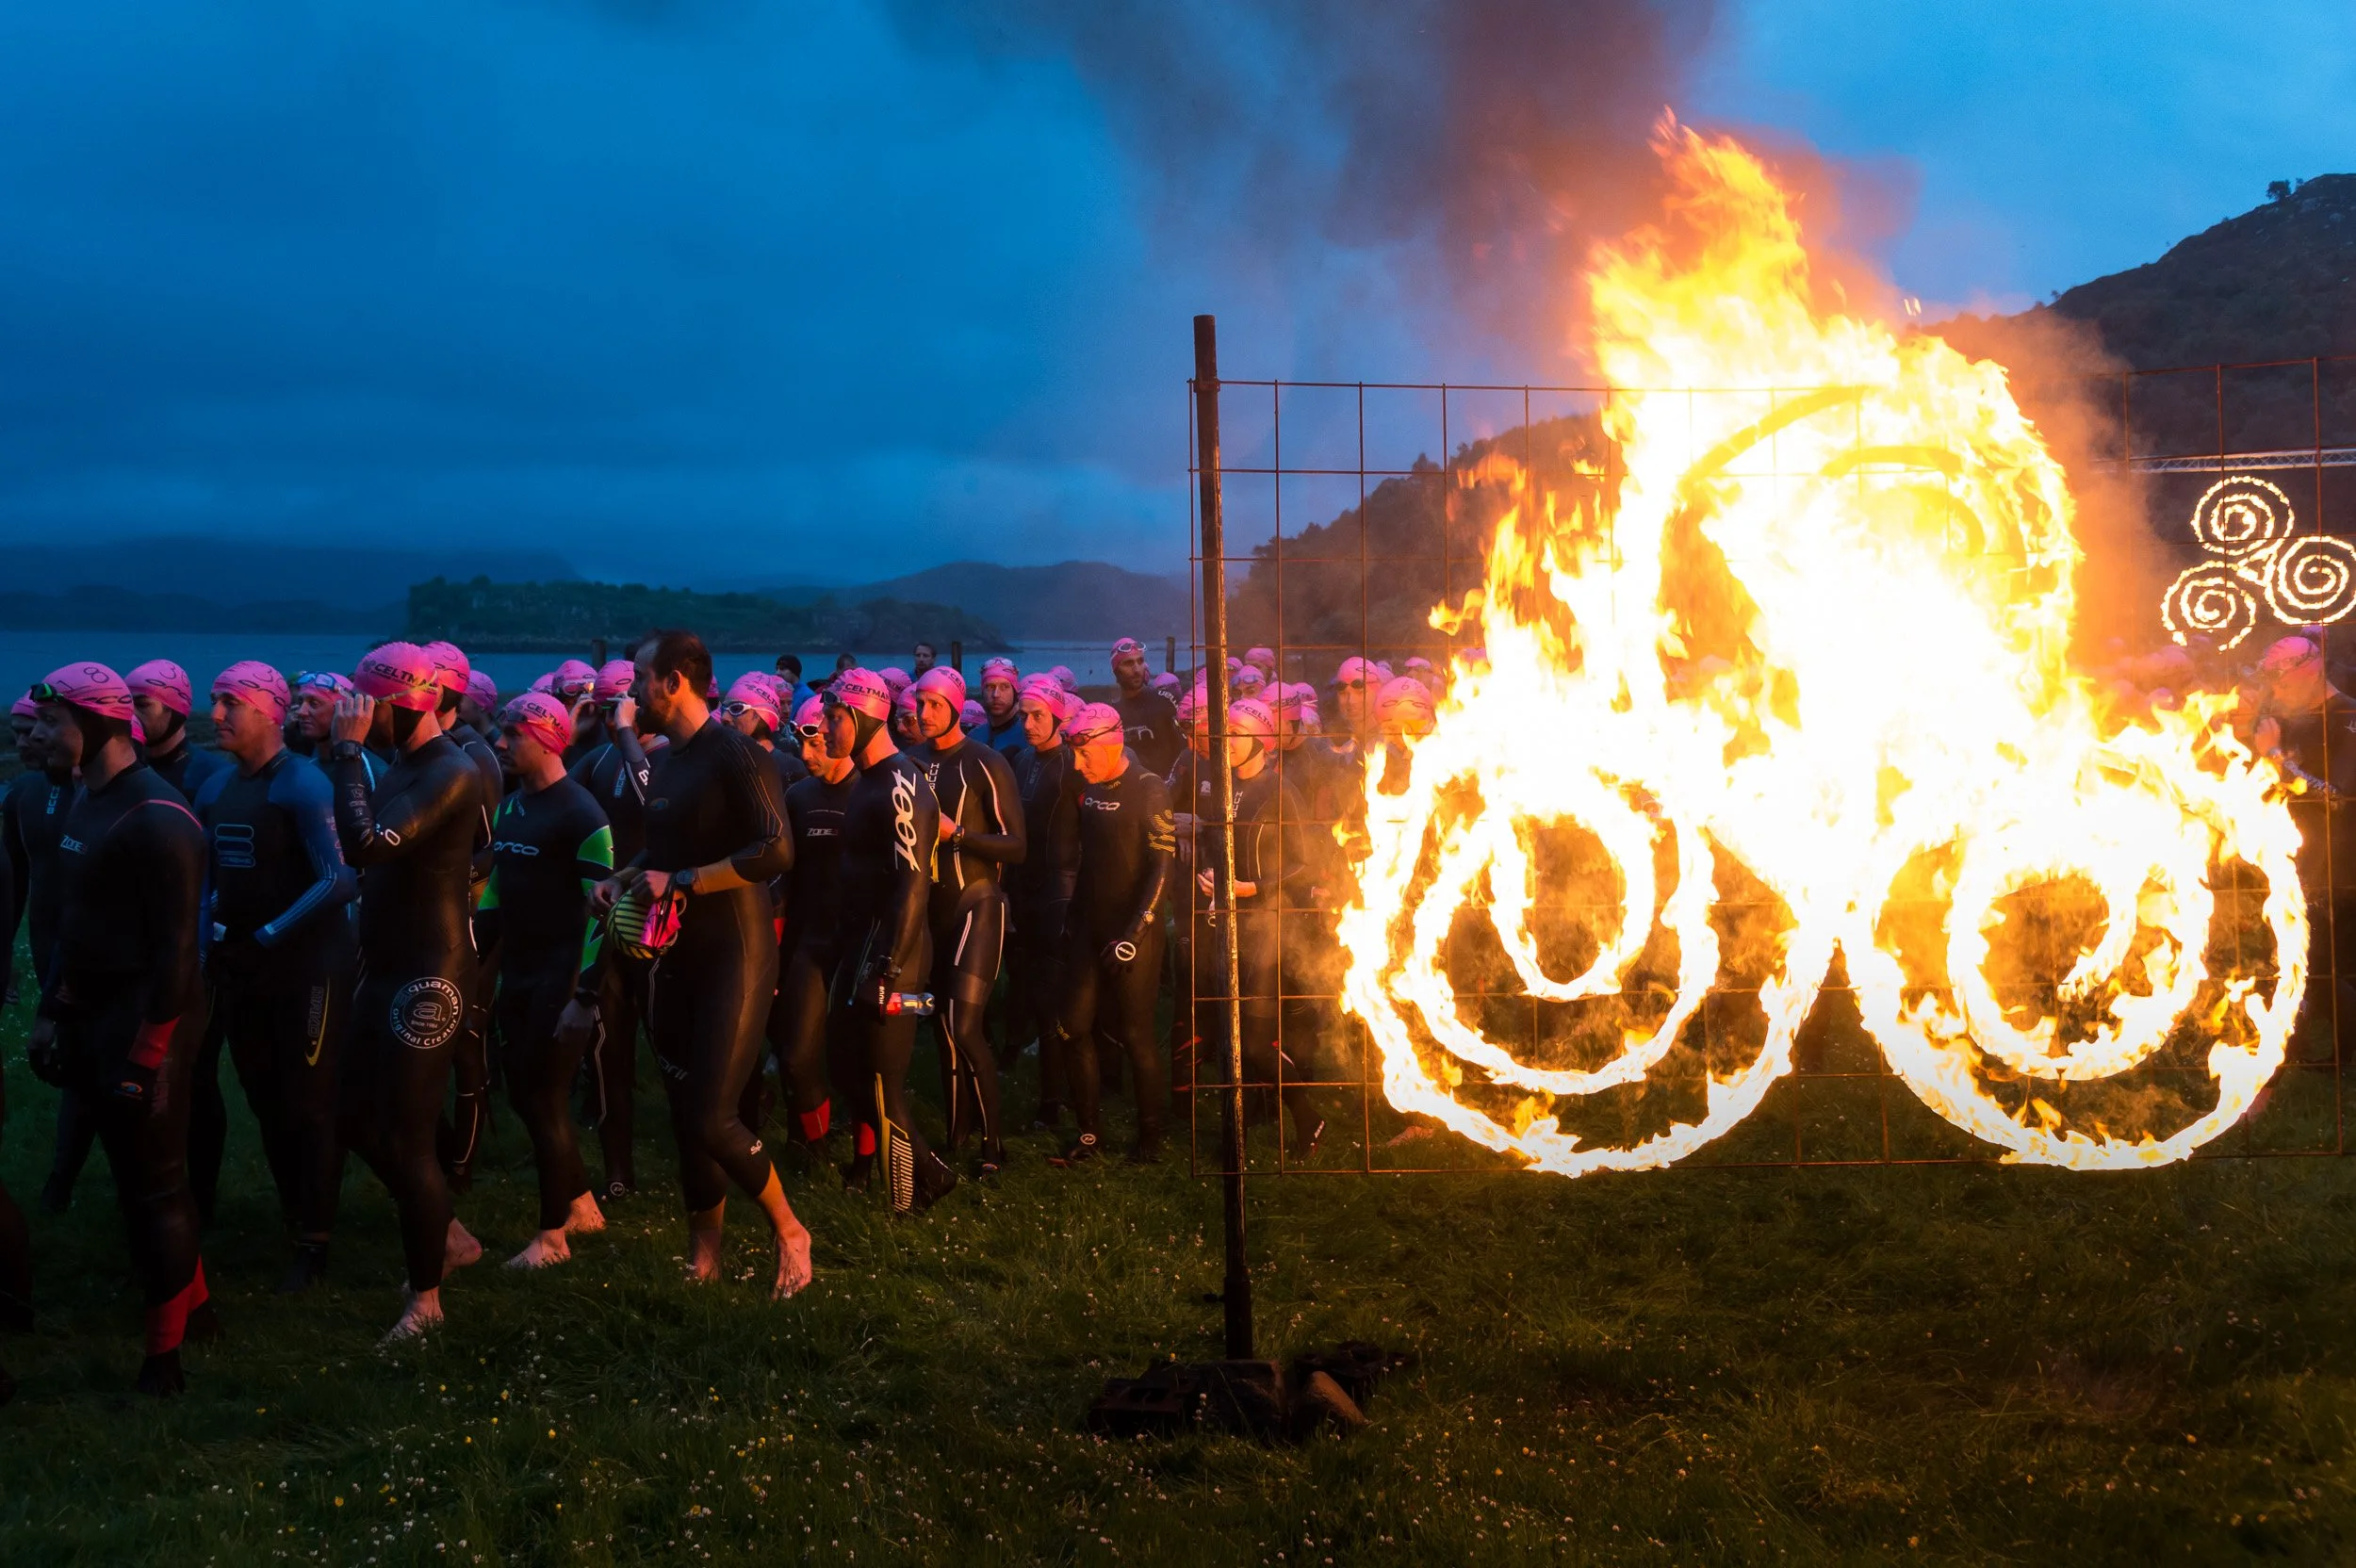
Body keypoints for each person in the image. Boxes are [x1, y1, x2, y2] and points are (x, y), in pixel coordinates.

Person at [586, 629, 811, 1298]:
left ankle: (791, 1232)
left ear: (676, 680)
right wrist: (623, 878)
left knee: (715, 1115)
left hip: (735, 955)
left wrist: (684, 880)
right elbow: (662, 853)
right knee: (688, 1115)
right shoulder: (672, 762)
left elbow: (776, 852)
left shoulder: (736, 755)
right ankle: (704, 1256)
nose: (632, 693)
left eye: (640, 679)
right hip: (676, 955)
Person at [25, 662, 213, 1394]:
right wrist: (52, 1013)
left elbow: (178, 956)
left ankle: (163, 1362)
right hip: (96, 1015)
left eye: (50, 724)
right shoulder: (85, 801)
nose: (37, 736)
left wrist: (148, 1057)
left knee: (157, 1189)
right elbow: (80, 928)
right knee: (135, 1180)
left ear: (99, 726)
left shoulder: (161, 819)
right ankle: (198, 1312)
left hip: (151, 1018)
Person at [327, 641, 491, 1342]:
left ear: (401, 707)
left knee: (409, 1135)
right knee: (353, 1119)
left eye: (367, 708)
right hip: (387, 965)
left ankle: (426, 1303)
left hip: (432, 973)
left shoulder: (451, 770)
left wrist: (344, 756)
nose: (356, 719)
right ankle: (447, 1235)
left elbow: (367, 845)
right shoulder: (400, 765)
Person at [187, 663, 357, 1292]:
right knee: (264, 1098)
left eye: (230, 702)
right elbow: (209, 882)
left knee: (309, 1103)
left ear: (268, 711)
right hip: (245, 966)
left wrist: (265, 937)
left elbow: (338, 880)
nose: (218, 713)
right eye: (213, 701)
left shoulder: (302, 785)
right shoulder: (216, 790)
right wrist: (206, 940)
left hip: (309, 967)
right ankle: (297, 1215)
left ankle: (317, 1241)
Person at [479, 693, 614, 1268]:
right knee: (523, 1096)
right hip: (520, 974)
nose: (501, 743)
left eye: (514, 734)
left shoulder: (583, 814)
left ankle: (552, 1237)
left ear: (551, 738)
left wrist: (584, 996)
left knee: (547, 1099)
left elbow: (604, 915)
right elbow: (496, 891)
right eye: (501, 732)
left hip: (561, 979)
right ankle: (581, 1204)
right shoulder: (511, 807)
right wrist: (470, 954)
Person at [826, 667, 956, 1211]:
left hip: (895, 955)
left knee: (884, 1084)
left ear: (861, 717)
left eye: (835, 719)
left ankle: (906, 1203)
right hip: (860, 949)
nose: (828, 729)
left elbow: (911, 887)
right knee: (851, 1073)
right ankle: (930, 1173)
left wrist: (888, 968)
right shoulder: (867, 780)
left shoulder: (901, 783)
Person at [1188, 696, 1326, 1155]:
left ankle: (1308, 1118)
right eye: (1223, 732)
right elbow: (1215, 843)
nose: (1225, 742)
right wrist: (1209, 876)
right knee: (1225, 1031)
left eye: (1237, 733)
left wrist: (1254, 888)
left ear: (1262, 739)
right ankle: (1242, 1126)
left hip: (1268, 924)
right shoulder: (1219, 783)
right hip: (1225, 920)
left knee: (1254, 1039)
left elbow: (1305, 866)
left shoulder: (1281, 790)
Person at [908, 666, 1026, 1170]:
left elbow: (1016, 846)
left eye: (936, 704)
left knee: (965, 1025)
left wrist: (956, 835)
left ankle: (992, 1144)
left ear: (957, 706)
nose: (924, 713)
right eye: (919, 704)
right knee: (940, 1026)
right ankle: (957, 1138)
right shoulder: (910, 762)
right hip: (929, 910)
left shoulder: (986, 761)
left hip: (977, 903)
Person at [1055, 703, 1176, 1164]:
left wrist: (1137, 932)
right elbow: (1090, 861)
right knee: (1072, 1027)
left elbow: (1162, 869)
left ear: (1112, 744)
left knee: (1137, 1035)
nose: (1079, 765)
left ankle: (1150, 1137)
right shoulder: (1087, 785)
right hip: (1091, 926)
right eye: (1075, 757)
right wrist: (1072, 915)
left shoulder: (1148, 790)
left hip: (1133, 932)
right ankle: (1089, 1134)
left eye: (1086, 756)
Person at [567, 661, 661, 1200]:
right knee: (608, 1052)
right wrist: (570, 742)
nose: (610, 718)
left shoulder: (670, 754)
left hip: (659, 926)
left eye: (618, 708)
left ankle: (699, 1160)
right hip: (607, 921)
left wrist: (627, 735)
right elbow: (547, 795)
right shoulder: (600, 758)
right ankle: (618, 1171)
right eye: (604, 710)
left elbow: (654, 803)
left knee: (673, 1051)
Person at [424, 642, 504, 1191]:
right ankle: (441, 1151)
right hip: (437, 914)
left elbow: (495, 846)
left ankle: (461, 1166)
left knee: (467, 1039)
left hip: (471, 915)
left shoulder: (470, 755)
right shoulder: (435, 751)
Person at [2254, 634, 2356, 1062]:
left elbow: (2338, 797)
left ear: (2311, 670)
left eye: (2282, 680)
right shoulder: (2288, 717)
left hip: (2340, 862)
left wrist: (2277, 757)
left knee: (2318, 964)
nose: (2276, 691)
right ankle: (2312, 1050)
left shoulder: (2347, 717)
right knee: (2303, 960)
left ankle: (2331, 1058)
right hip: (2293, 858)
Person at [770, 694, 856, 1156]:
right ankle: (816, 1149)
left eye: (817, 746)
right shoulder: (799, 796)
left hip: (859, 944)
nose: (805, 757)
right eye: (802, 745)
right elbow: (783, 881)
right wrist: (778, 953)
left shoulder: (871, 790)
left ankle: (864, 1158)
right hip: (810, 941)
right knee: (797, 1057)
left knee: (854, 1059)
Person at [1006, 676, 1084, 1131]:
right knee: (1036, 996)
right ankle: (1053, 1094)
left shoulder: (1073, 765)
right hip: (1027, 888)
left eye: (1038, 716)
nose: (1029, 724)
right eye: (1024, 716)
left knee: (1057, 999)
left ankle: (1055, 1103)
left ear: (1057, 715)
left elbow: (1091, 832)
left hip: (1062, 889)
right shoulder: (1020, 762)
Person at [128, 660, 231, 804]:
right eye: (126, 704)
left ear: (176, 711)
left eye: (142, 705)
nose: (130, 714)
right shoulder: (121, 770)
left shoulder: (213, 777)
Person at [1110, 637, 1182, 777]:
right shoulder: (1113, 714)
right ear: (1116, 670)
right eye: (1128, 663)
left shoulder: (1165, 701)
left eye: (1140, 661)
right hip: (1133, 790)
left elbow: (1185, 751)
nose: (1136, 669)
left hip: (1168, 789)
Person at [975, 657, 1025, 751]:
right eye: (990, 687)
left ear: (1015, 691)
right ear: (982, 691)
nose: (996, 694)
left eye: (1004, 687)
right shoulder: (974, 736)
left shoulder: (1029, 737)